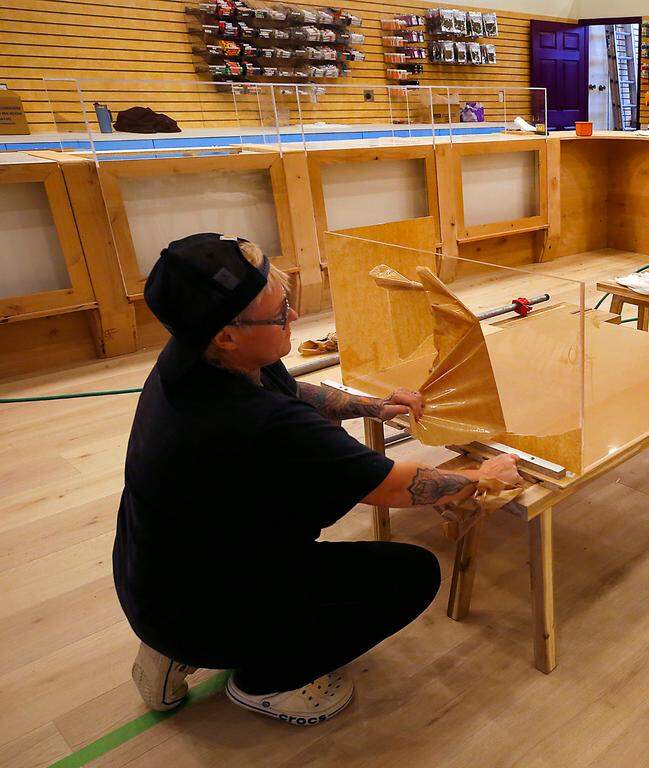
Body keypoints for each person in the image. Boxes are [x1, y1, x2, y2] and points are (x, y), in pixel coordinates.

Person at [113, 233, 521, 726]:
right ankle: (266, 682)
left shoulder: (196, 359)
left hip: (157, 576)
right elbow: (395, 487)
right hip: (199, 602)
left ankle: (174, 646)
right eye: (279, 311)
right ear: (227, 333)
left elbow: (293, 390)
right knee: (411, 577)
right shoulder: (251, 419)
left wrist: (372, 405)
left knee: (285, 526)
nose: (293, 318)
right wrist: (483, 474)